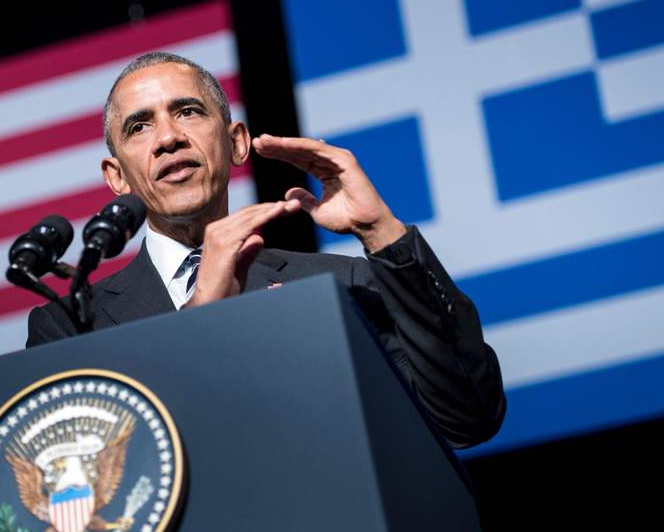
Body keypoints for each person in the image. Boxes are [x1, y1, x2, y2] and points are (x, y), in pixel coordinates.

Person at [26, 52, 506, 449]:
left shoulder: (341, 284)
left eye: (188, 111)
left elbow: (467, 418)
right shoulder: (69, 325)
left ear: (236, 142)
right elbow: (82, 483)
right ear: (117, 176)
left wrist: (381, 231)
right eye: (139, 127)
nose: (168, 138)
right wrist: (201, 315)